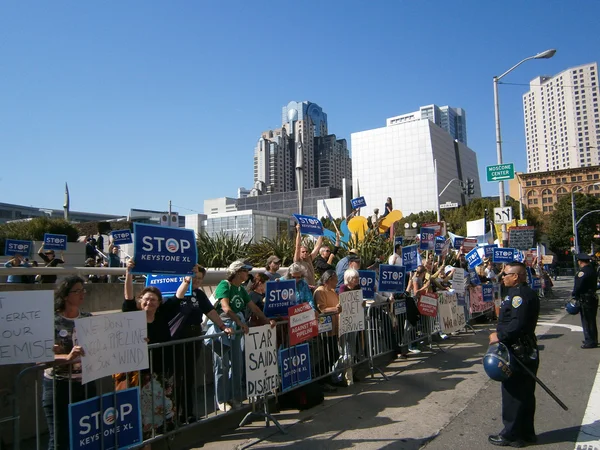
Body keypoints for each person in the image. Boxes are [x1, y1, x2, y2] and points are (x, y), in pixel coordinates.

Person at [205, 261, 276, 412]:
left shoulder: (241, 289)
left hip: (236, 330)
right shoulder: (225, 285)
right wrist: (239, 322)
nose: (247, 274)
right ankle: (222, 399)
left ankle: (236, 397)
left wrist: (266, 320)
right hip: (222, 329)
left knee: (237, 364)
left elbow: (254, 307)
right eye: (245, 270)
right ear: (237, 272)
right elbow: (225, 307)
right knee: (222, 365)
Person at [171, 265, 233, 424]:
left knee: (189, 376)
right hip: (177, 338)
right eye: (195, 277)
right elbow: (177, 297)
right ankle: (174, 415)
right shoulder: (177, 291)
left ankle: (188, 413)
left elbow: (210, 311)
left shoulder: (199, 294)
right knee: (176, 378)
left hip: (194, 336)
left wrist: (222, 326)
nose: (197, 281)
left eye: (200, 278)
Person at [488, 261, 540, 447]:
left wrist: (498, 336)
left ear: (516, 277)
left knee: (514, 394)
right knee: (525, 393)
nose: (503, 277)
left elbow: (516, 324)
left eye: (506, 274)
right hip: (526, 348)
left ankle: (511, 434)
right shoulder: (526, 293)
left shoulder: (518, 296)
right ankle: (526, 433)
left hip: (517, 350)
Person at [43, 276, 96, 450]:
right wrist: (66, 357)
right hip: (59, 386)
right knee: (59, 438)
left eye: (83, 290)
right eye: (77, 290)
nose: (82, 294)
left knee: (85, 436)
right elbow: (39, 357)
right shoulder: (51, 321)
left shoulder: (89, 318)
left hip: (85, 384)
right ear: (66, 295)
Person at [314, 270, 343, 390]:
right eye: (335, 280)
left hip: (334, 328)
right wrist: (335, 309)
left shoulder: (332, 291)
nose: (337, 282)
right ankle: (321, 379)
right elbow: (322, 309)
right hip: (325, 330)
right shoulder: (320, 291)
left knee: (334, 354)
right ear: (329, 279)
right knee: (328, 355)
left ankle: (327, 377)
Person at [572, 253, 598, 349]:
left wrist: (574, 294)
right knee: (592, 320)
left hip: (585, 299)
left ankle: (590, 341)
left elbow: (578, 286)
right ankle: (593, 339)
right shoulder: (592, 270)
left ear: (580, 261)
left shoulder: (582, 272)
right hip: (592, 297)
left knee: (587, 321)